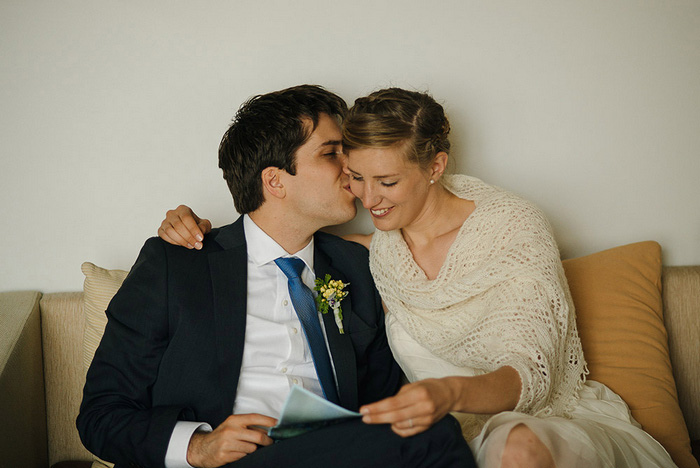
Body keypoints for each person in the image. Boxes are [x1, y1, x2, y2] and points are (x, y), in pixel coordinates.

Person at [159, 87, 679, 468]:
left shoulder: (509, 227)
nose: (366, 196)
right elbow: (274, 242)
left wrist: (447, 396)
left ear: (435, 166)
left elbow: (532, 369)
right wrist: (199, 234)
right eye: (356, 176)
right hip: (417, 437)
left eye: (386, 181)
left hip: (517, 422)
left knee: (515, 449)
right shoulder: (371, 250)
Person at [77, 85, 474, 468]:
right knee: (434, 437)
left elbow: (384, 405)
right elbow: (100, 415)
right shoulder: (179, 265)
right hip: (228, 461)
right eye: (332, 153)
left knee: (431, 430)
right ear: (275, 181)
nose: (352, 167)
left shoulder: (358, 266)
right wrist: (199, 446)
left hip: (334, 453)